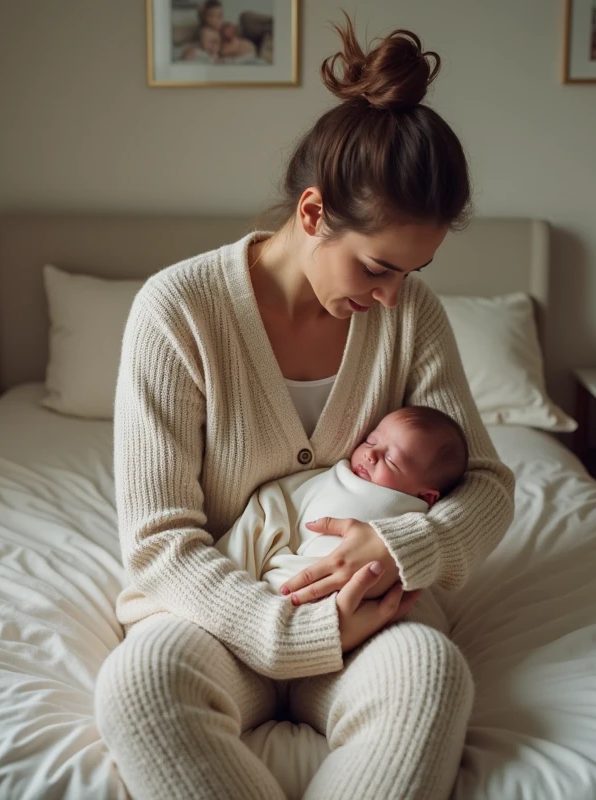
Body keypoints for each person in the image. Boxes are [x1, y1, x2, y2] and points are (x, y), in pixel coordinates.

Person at [95, 14, 516, 800]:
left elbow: (489, 485)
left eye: (413, 271)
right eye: (379, 267)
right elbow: (158, 541)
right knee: (137, 689)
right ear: (315, 214)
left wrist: (404, 552)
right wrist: (286, 633)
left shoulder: (410, 313)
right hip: (216, 619)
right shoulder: (177, 310)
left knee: (431, 676)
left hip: (375, 617)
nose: (394, 295)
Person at [214, 406, 468, 604]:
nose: (370, 454)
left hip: (372, 607)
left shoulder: (417, 518)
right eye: (371, 440)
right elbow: (271, 505)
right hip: (287, 587)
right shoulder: (333, 479)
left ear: (427, 497)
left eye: (391, 460)